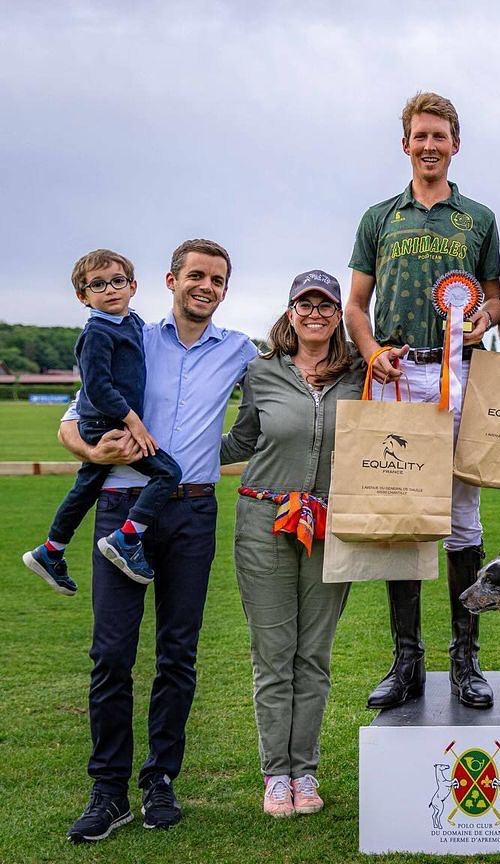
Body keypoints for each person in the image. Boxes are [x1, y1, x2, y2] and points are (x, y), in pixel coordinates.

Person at [58, 239, 256, 842]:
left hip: (193, 514)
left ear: (225, 289)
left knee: (178, 654)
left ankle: (160, 778)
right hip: (123, 508)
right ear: (170, 279)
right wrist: (93, 450)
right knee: (111, 654)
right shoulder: (130, 335)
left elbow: (301, 380)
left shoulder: (241, 350)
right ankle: (108, 790)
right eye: (195, 275)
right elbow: (70, 420)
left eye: (217, 279)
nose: (206, 286)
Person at [344, 92, 500, 711]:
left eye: (441, 136)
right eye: (420, 136)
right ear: (405, 143)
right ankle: (406, 659)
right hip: (399, 373)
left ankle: (466, 657)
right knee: (404, 520)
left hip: (459, 376)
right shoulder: (379, 217)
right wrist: (371, 349)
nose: (430, 145)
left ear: (455, 144)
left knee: (463, 519)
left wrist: (481, 320)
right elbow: (357, 306)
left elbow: (493, 300)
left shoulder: (478, 218)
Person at [221, 270, 361, 817]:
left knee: (314, 656)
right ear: (290, 311)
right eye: (305, 303)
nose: (316, 313)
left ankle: (305, 770)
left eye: (326, 305)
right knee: (274, 655)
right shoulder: (261, 373)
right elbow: (240, 440)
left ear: (337, 316)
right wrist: (169, 445)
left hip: (330, 526)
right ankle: (275, 774)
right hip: (264, 522)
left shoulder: (357, 375)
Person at [23, 250, 182, 594]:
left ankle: (51, 551)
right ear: (83, 296)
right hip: (107, 425)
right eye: (98, 284)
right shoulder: (96, 334)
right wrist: (133, 422)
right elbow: (97, 388)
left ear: (133, 286)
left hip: (110, 422)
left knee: (87, 487)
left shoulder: (132, 323)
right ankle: (127, 538)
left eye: (117, 281)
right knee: (168, 473)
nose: (110, 289)